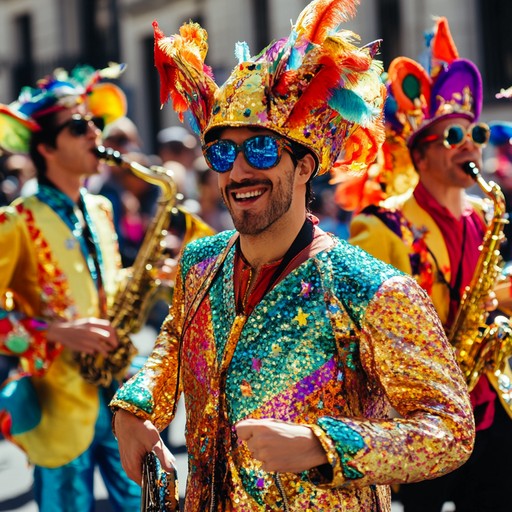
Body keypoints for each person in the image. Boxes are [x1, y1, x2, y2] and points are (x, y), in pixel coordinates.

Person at [110, 2, 475, 511]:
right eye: (222, 153)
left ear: (305, 167)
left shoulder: (371, 288)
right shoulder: (201, 263)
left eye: (260, 150)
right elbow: (174, 342)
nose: (237, 172)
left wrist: (325, 445)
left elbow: (450, 429)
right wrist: (135, 407)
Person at [349, 17, 512, 512]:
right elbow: (365, 332)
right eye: (454, 134)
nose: (471, 143)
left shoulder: (486, 215)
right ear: (419, 155)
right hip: (419, 417)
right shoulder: (380, 226)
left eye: (476, 132)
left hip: (488, 403)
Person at [0, 64, 141, 511]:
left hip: (119, 394)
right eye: (78, 127)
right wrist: (55, 332)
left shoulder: (100, 208)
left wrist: (149, 282)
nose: (94, 134)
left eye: (95, 123)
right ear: (45, 147)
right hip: (58, 404)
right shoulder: (16, 220)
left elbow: (108, 284)